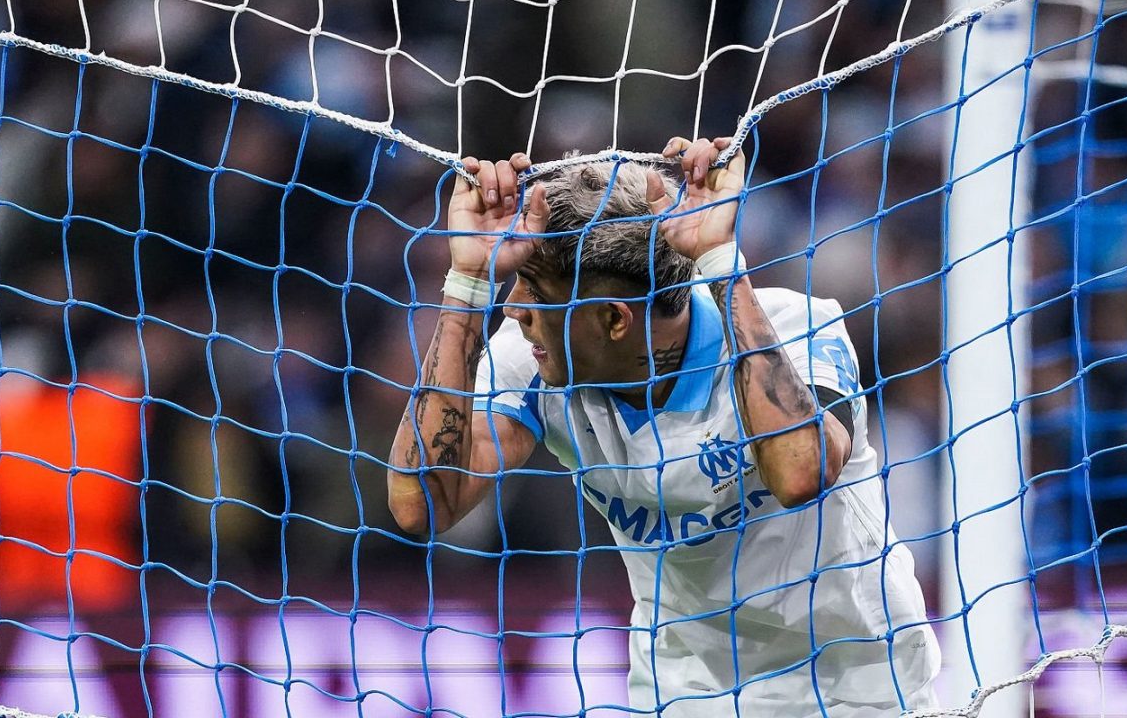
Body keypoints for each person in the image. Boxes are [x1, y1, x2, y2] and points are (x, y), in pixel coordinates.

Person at [387, 138, 940, 717]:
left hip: (857, 681)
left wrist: (721, 261)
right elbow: (423, 503)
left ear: (613, 319)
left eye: (535, 290)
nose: (513, 308)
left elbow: (801, 472)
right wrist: (468, 282)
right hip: (685, 691)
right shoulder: (534, 359)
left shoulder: (797, 328)